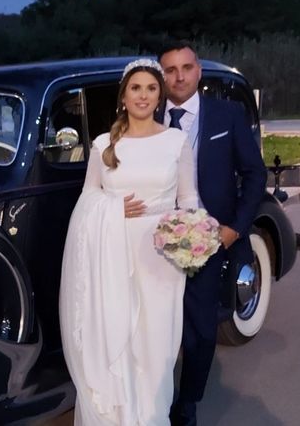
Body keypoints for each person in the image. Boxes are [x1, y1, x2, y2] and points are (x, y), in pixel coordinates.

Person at [59, 58, 198, 425]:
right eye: (136, 88)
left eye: (152, 88)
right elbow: (86, 201)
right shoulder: (104, 145)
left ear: (160, 96)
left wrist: (191, 239)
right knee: (117, 346)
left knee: (157, 352)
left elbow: (189, 200)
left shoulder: (176, 142)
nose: (144, 95)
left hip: (161, 260)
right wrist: (113, 209)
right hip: (111, 259)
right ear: (123, 96)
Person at [153, 43, 267, 426]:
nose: (179, 77)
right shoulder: (147, 117)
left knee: (201, 330)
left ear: (198, 71)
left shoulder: (227, 114)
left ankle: (187, 402)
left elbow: (255, 173)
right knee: (154, 328)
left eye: (186, 67)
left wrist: (235, 229)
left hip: (209, 239)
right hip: (152, 243)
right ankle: (153, 399)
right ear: (160, 74)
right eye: (170, 70)